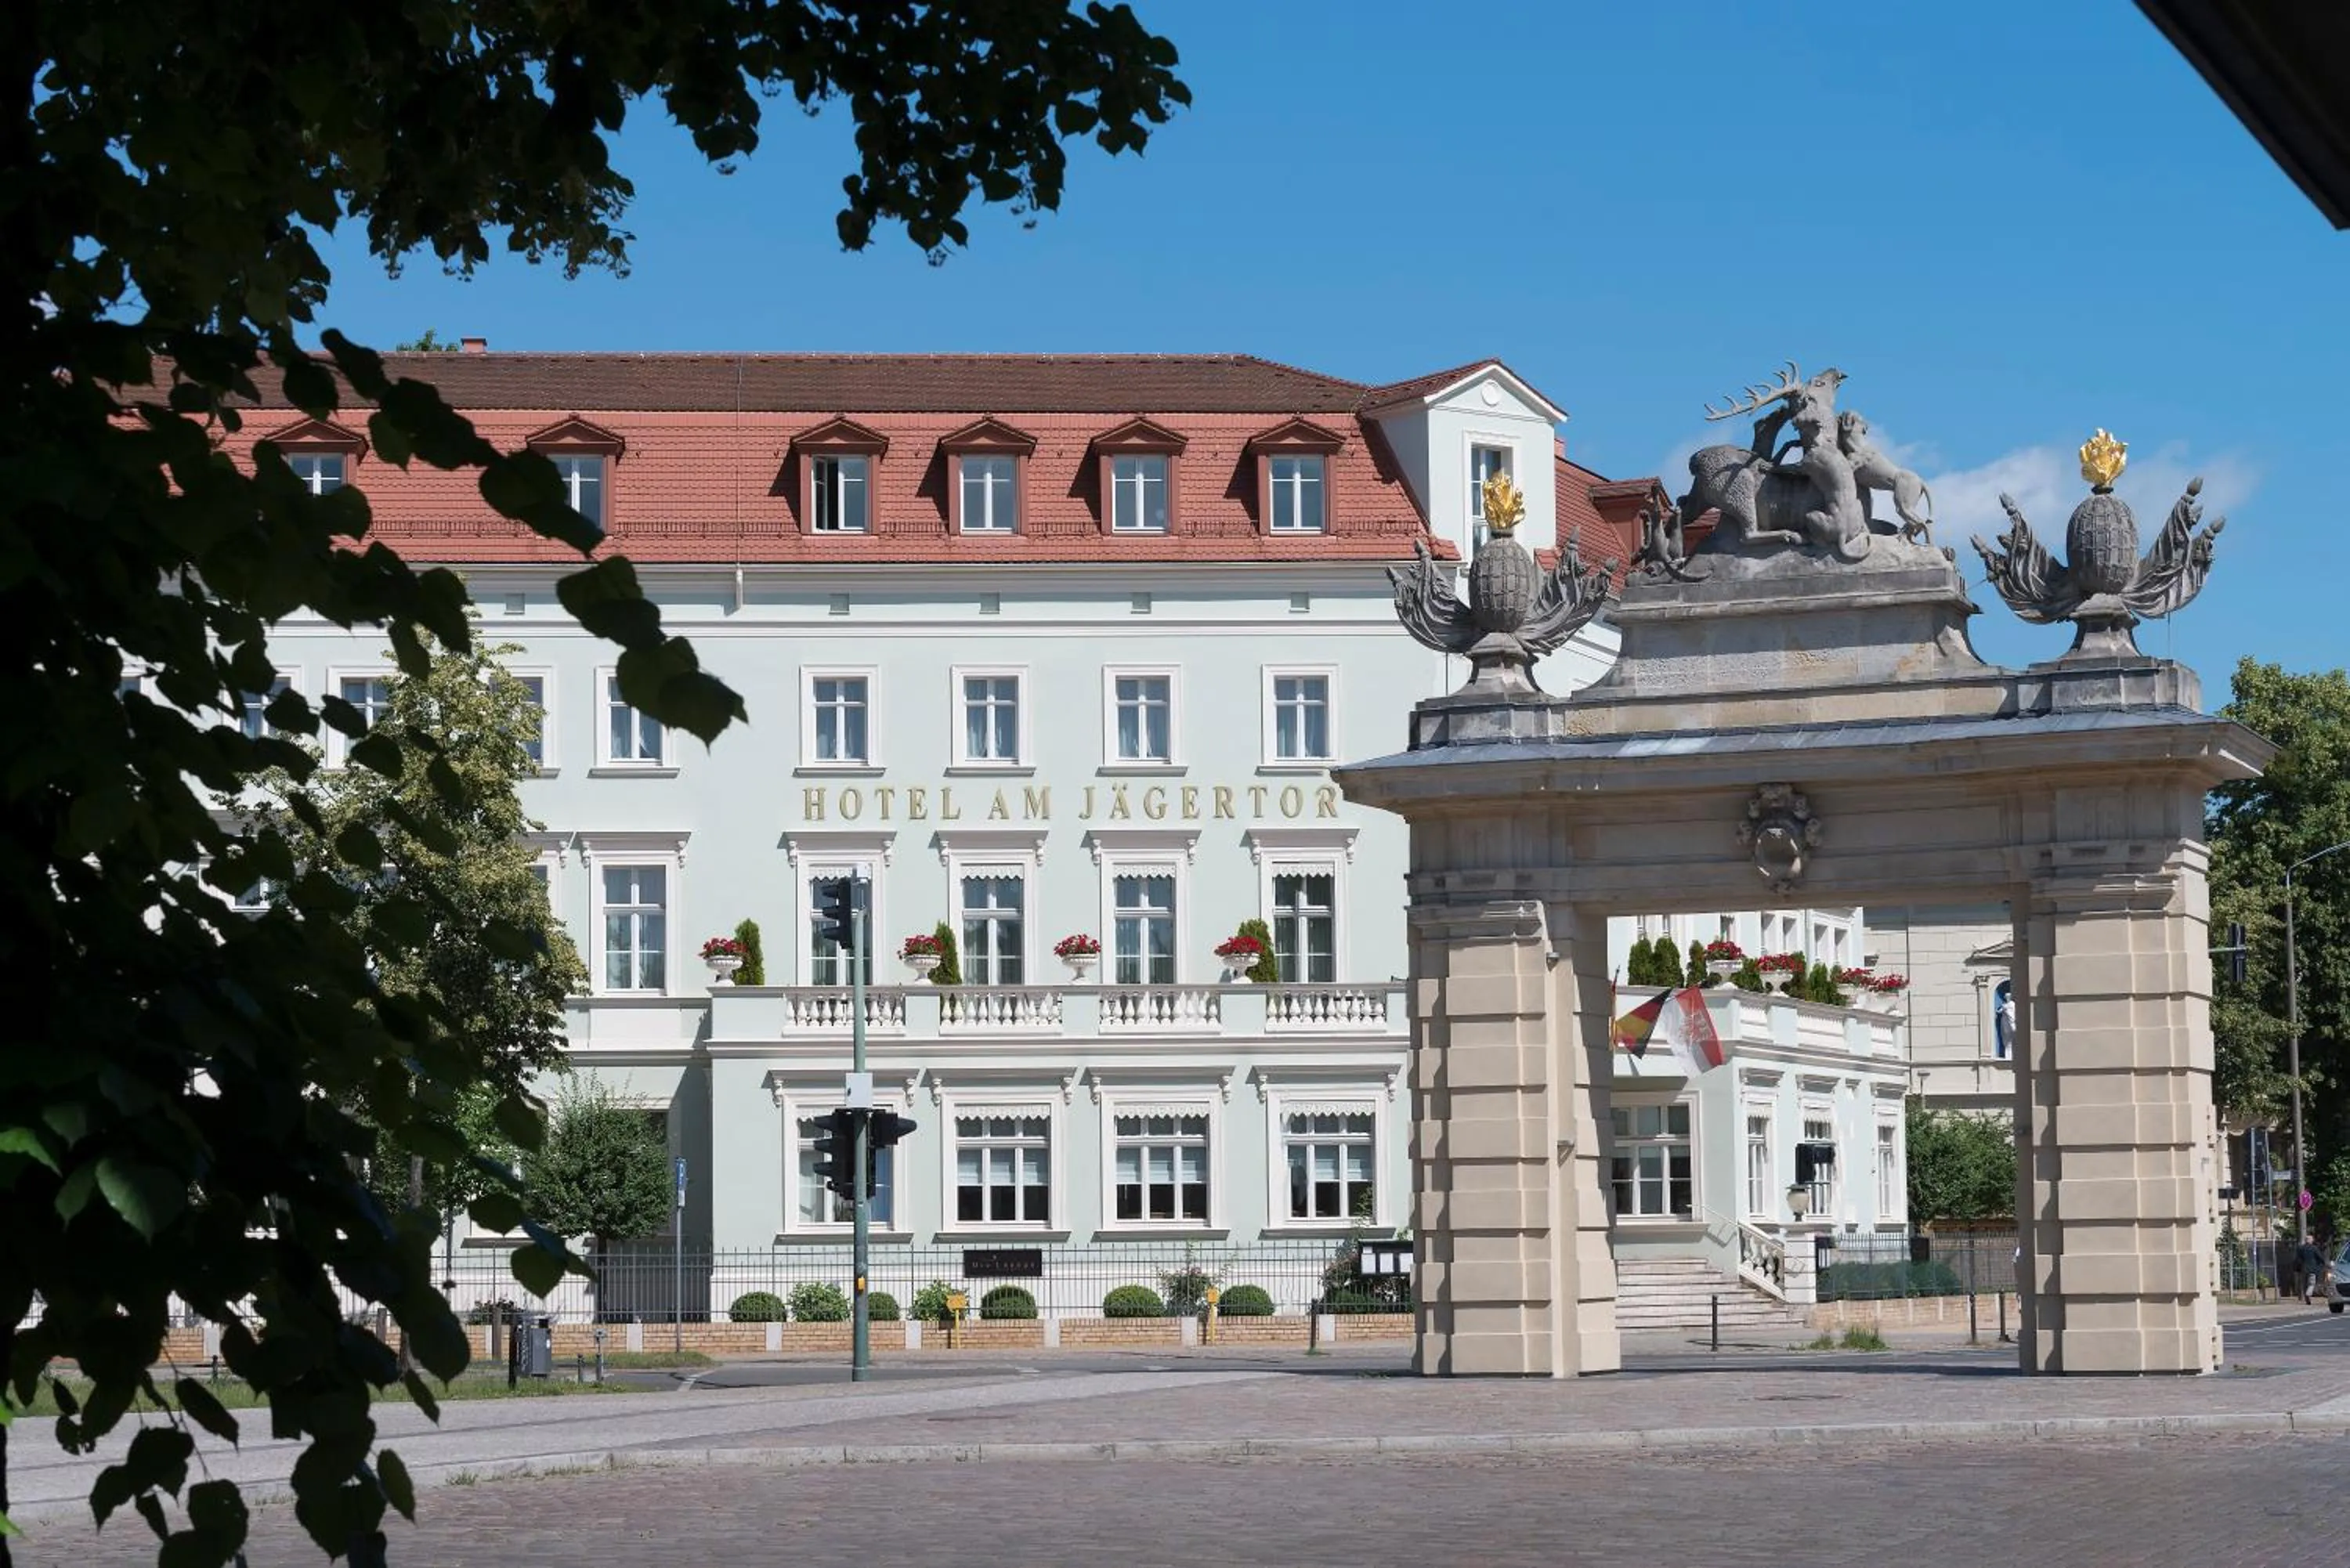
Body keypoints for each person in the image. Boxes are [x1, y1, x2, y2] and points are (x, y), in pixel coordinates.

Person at [2296, 1237, 2327, 1306]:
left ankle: (2307, 1300)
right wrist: (2324, 1263)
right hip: (2312, 1269)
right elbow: (2320, 1257)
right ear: (2311, 1241)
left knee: (2304, 1285)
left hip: (2303, 1269)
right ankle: (2308, 1294)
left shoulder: (2301, 1248)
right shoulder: (2314, 1248)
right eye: (2312, 1240)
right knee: (2311, 1284)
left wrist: (2298, 1268)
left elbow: (2297, 1259)